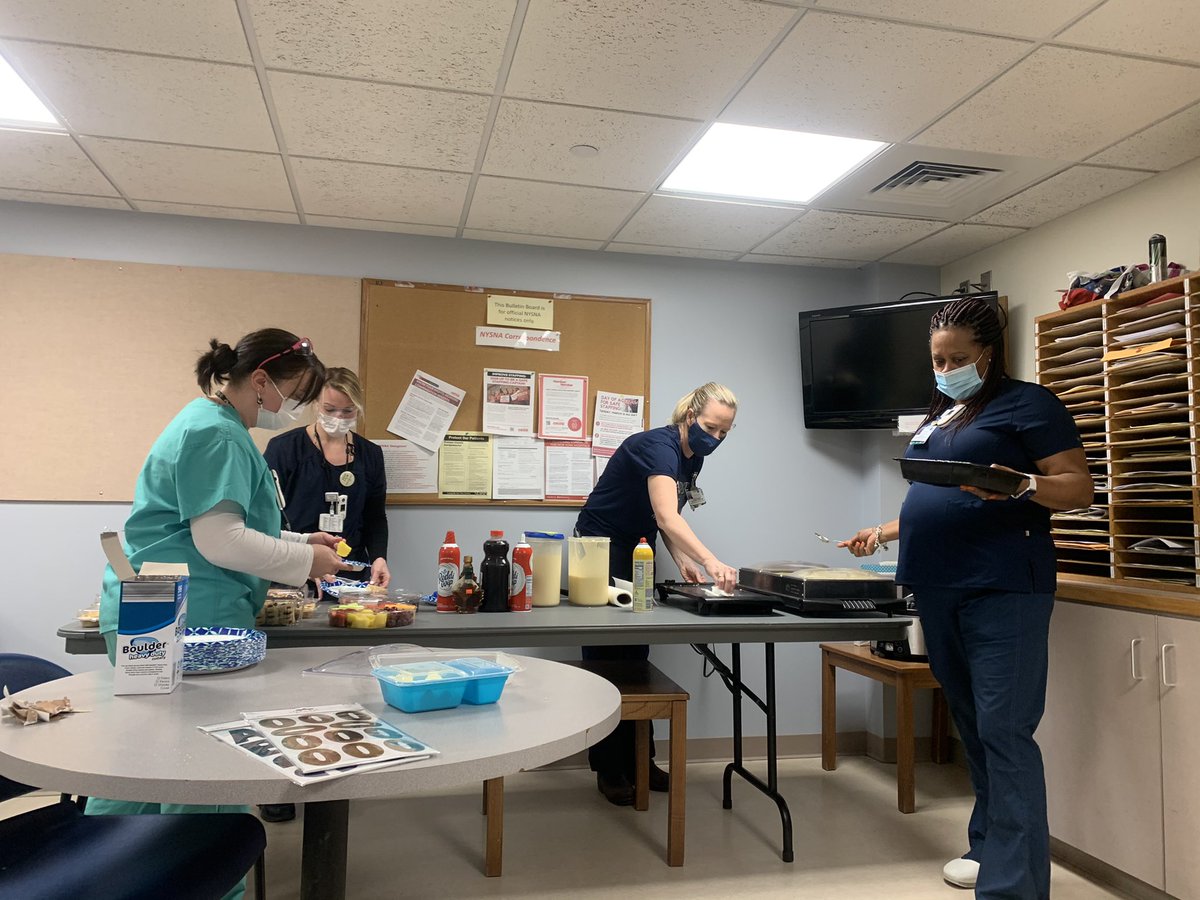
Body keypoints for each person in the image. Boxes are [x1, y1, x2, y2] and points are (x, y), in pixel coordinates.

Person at [840, 297, 1091, 899]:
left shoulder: (1028, 403)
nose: (946, 367)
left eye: (958, 357)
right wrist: (886, 530)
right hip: (938, 586)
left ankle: (1014, 887)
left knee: (1005, 732)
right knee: (974, 729)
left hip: (1001, 587)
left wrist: (1022, 483)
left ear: (989, 353)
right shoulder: (945, 413)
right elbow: (944, 491)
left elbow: (1078, 487)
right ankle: (989, 848)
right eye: (938, 358)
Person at [89, 329, 344, 898]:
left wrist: (299, 537)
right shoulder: (219, 435)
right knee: (202, 769)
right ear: (259, 381)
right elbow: (221, 542)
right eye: (296, 395)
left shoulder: (206, 421)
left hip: (158, 611)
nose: (296, 411)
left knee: (140, 764)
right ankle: (203, 885)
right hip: (189, 620)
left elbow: (215, 524)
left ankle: (99, 873)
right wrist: (307, 560)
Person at [575, 382, 739, 805]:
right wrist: (709, 561)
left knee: (637, 656)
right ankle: (610, 768)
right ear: (689, 418)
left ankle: (640, 762)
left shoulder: (693, 457)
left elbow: (664, 519)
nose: (715, 438)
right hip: (599, 549)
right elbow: (667, 515)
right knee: (607, 656)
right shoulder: (658, 446)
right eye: (711, 427)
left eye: (725, 432)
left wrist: (679, 556)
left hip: (637, 548)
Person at [264, 367, 391, 588]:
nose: (338, 418)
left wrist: (379, 558)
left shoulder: (370, 454)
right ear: (315, 404)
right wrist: (305, 562)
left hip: (350, 574)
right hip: (294, 572)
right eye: (329, 409)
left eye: (348, 411)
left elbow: (375, 517)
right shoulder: (284, 449)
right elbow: (266, 517)